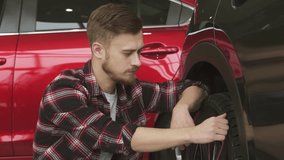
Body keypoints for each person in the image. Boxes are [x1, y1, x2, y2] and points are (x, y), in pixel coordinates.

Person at [33, 3, 229, 160]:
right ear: (98, 50)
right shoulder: (63, 91)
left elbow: (196, 88)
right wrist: (191, 133)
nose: (137, 62)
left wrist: (181, 107)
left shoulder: (131, 90)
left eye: (139, 51)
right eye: (127, 53)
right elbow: (119, 136)